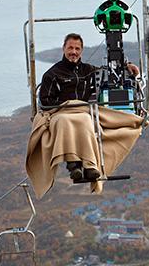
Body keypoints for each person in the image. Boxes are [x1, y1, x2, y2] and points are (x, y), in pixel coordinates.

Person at [38, 33, 139, 182]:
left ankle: (90, 165)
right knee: (65, 121)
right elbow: (45, 101)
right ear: (63, 48)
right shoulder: (52, 74)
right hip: (61, 113)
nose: (73, 52)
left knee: (86, 120)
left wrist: (127, 65)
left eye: (77, 49)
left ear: (81, 51)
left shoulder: (88, 70)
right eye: (70, 48)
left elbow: (109, 71)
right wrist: (65, 106)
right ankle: (74, 165)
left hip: (83, 112)